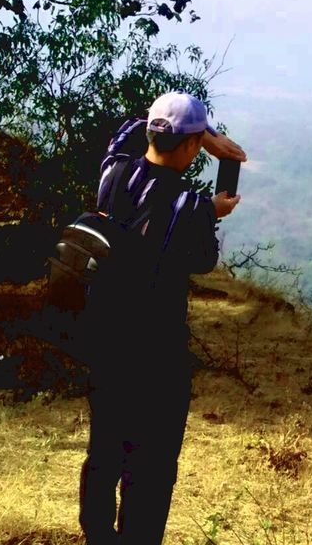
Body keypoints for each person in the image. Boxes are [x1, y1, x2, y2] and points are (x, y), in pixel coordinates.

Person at [78, 92, 244, 544]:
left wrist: (201, 137)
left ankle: (97, 534)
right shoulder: (188, 206)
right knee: (150, 463)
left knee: (105, 448)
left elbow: (126, 131)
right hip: (157, 351)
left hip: (105, 339)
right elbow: (204, 260)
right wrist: (213, 210)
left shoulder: (114, 170)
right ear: (191, 149)